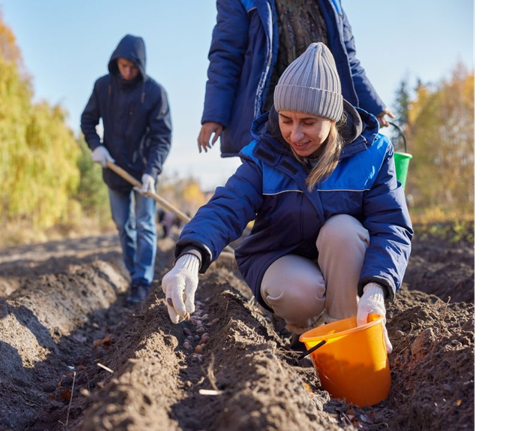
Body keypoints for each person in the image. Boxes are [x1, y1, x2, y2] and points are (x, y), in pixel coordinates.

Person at [165, 43, 411, 351]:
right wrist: (189, 259)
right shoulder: (264, 154)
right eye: (286, 119)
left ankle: (342, 333)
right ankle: (302, 332)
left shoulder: (372, 154)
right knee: (301, 292)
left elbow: (392, 226)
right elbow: (228, 206)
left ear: (332, 119)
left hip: (342, 262)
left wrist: (375, 290)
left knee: (345, 230)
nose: (295, 135)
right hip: (281, 258)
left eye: (308, 122)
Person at [198, 0, 394, 157]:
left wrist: (373, 104)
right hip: (271, 115)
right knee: (270, 183)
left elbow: (346, 59)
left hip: (320, 113)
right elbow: (225, 56)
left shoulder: (332, 3)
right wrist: (215, 115)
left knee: (325, 180)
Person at [81, 34, 173, 304]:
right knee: (123, 226)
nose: (128, 72)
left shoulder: (154, 92)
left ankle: (142, 281)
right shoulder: (103, 87)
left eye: (133, 67)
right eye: (123, 66)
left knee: (145, 225)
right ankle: (134, 275)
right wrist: (96, 146)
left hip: (143, 173)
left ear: (141, 66)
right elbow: (88, 121)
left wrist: (151, 172)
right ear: (116, 63)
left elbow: (162, 137)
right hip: (114, 170)